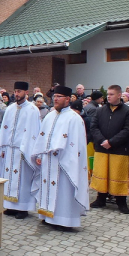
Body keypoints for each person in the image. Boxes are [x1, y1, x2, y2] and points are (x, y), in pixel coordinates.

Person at [31, 85, 89, 230]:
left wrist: (66, 158)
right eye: (54, 97)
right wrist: (39, 154)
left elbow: (77, 146)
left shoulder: (74, 118)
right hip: (48, 161)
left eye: (59, 97)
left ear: (68, 99)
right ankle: (47, 216)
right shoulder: (50, 116)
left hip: (64, 162)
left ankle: (65, 221)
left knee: (63, 192)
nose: (55, 99)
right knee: (47, 188)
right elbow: (42, 137)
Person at [0, 82, 41, 220]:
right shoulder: (10, 109)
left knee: (23, 179)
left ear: (26, 93)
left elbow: (35, 132)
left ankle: (23, 208)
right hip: (9, 149)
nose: (16, 94)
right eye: (15, 91)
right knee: (8, 177)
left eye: (19, 91)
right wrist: (2, 146)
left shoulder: (33, 110)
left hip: (23, 150)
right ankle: (10, 205)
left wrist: (30, 150)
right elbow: (4, 129)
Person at [90, 85, 129, 214]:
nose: (108, 96)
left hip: (120, 149)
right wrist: (102, 141)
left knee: (118, 174)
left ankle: (121, 201)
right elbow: (93, 127)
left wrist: (112, 142)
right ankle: (101, 199)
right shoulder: (100, 111)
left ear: (118, 95)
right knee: (102, 173)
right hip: (102, 148)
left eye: (111, 94)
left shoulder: (128, 111)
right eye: (108, 94)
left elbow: (128, 130)